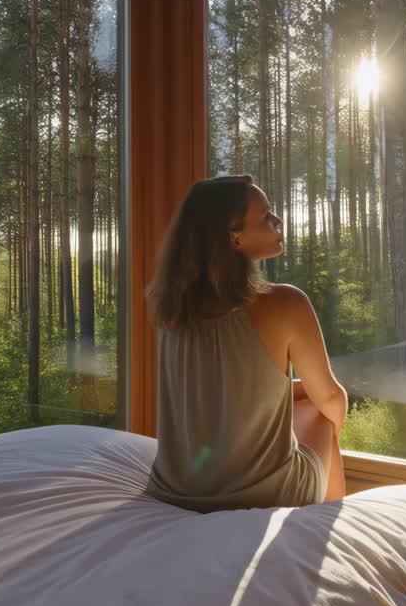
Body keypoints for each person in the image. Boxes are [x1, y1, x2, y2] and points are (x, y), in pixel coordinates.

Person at [145, 174, 348, 512]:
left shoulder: (166, 305)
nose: (278, 220)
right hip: (264, 494)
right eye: (266, 216)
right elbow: (330, 397)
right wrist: (331, 428)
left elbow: (214, 390)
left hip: (176, 488)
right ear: (234, 238)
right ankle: (331, 523)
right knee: (321, 407)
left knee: (299, 392)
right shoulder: (285, 303)